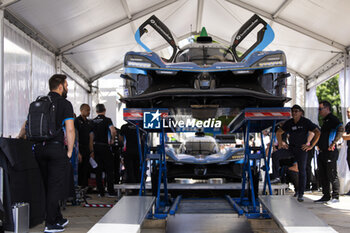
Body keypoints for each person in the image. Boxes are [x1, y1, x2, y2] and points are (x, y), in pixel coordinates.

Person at [18, 74, 75, 233]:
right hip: (56, 149)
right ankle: (50, 224)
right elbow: (70, 129)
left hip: (39, 149)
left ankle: (57, 218)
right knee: (55, 187)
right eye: (66, 85)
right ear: (61, 86)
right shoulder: (64, 104)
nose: (67, 88)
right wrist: (69, 151)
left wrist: (19, 136)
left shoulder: (39, 102)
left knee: (47, 186)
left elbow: (27, 123)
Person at [271, 105, 320, 202]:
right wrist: (280, 144)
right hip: (291, 148)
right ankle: (277, 177)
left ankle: (300, 193)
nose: (294, 113)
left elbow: (317, 132)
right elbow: (279, 132)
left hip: (302, 149)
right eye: (292, 111)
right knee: (275, 155)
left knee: (302, 170)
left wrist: (310, 146)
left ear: (301, 112)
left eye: (296, 111)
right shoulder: (289, 122)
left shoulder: (306, 122)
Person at [315, 100, 344, 204]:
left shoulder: (333, 119)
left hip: (330, 152)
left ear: (327, 108)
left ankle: (335, 196)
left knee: (331, 173)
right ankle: (326, 195)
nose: (319, 111)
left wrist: (334, 142)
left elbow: (341, 128)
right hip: (322, 152)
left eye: (320, 109)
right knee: (323, 174)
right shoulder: (325, 120)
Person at [89, 104, 116, 197]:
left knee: (98, 170)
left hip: (96, 147)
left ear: (96, 111)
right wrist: (112, 139)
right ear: (105, 110)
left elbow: (91, 136)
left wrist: (91, 150)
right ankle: (111, 191)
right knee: (109, 169)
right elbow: (113, 130)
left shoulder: (92, 121)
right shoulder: (107, 120)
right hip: (105, 147)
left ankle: (101, 192)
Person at [74, 104, 93, 189]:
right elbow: (75, 136)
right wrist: (78, 152)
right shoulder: (77, 121)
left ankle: (85, 190)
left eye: (89, 110)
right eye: (86, 110)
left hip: (86, 149)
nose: (88, 112)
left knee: (86, 169)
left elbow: (90, 137)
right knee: (80, 170)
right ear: (81, 110)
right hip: (79, 148)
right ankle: (78, 190)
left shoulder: (89, 122)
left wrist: (91, 151)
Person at [343, 107, 350, 195]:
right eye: (347, 112)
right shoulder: (348, 124)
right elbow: (344, 135)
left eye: (349, 112)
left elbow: (345, 136)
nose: (348, 114)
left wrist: (345, 135)